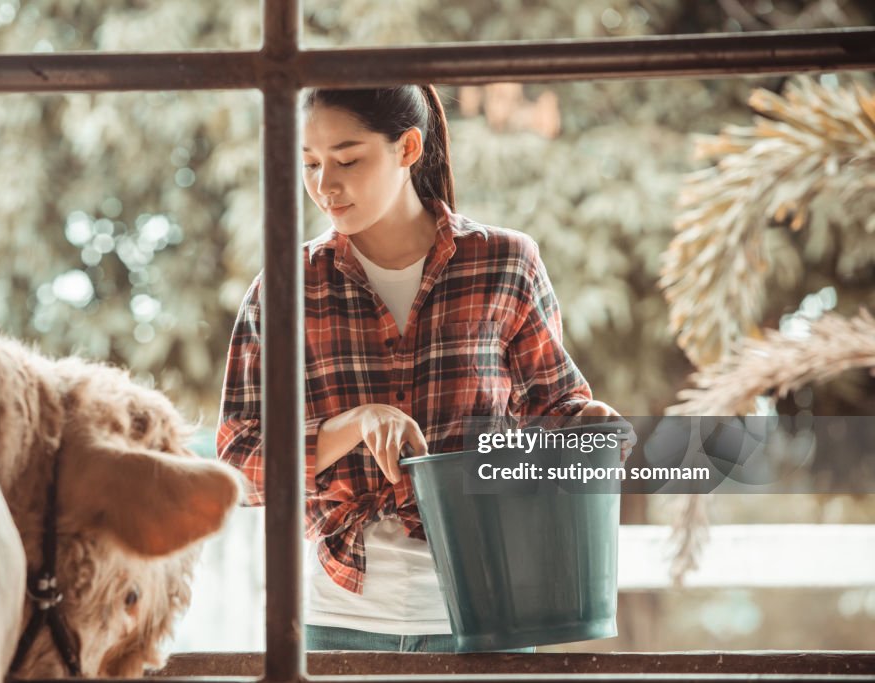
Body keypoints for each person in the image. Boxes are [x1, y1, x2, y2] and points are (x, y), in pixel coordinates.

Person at [217, 85, 628, 652]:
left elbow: (557, 415)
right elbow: (239, 465)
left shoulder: (506, 262)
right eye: (309, 163)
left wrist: (590, 426)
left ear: (407, 147)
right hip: (334, 622)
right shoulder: (284, 288)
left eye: (348, 158)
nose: (324, 185)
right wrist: (357, 423)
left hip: (491, 615)